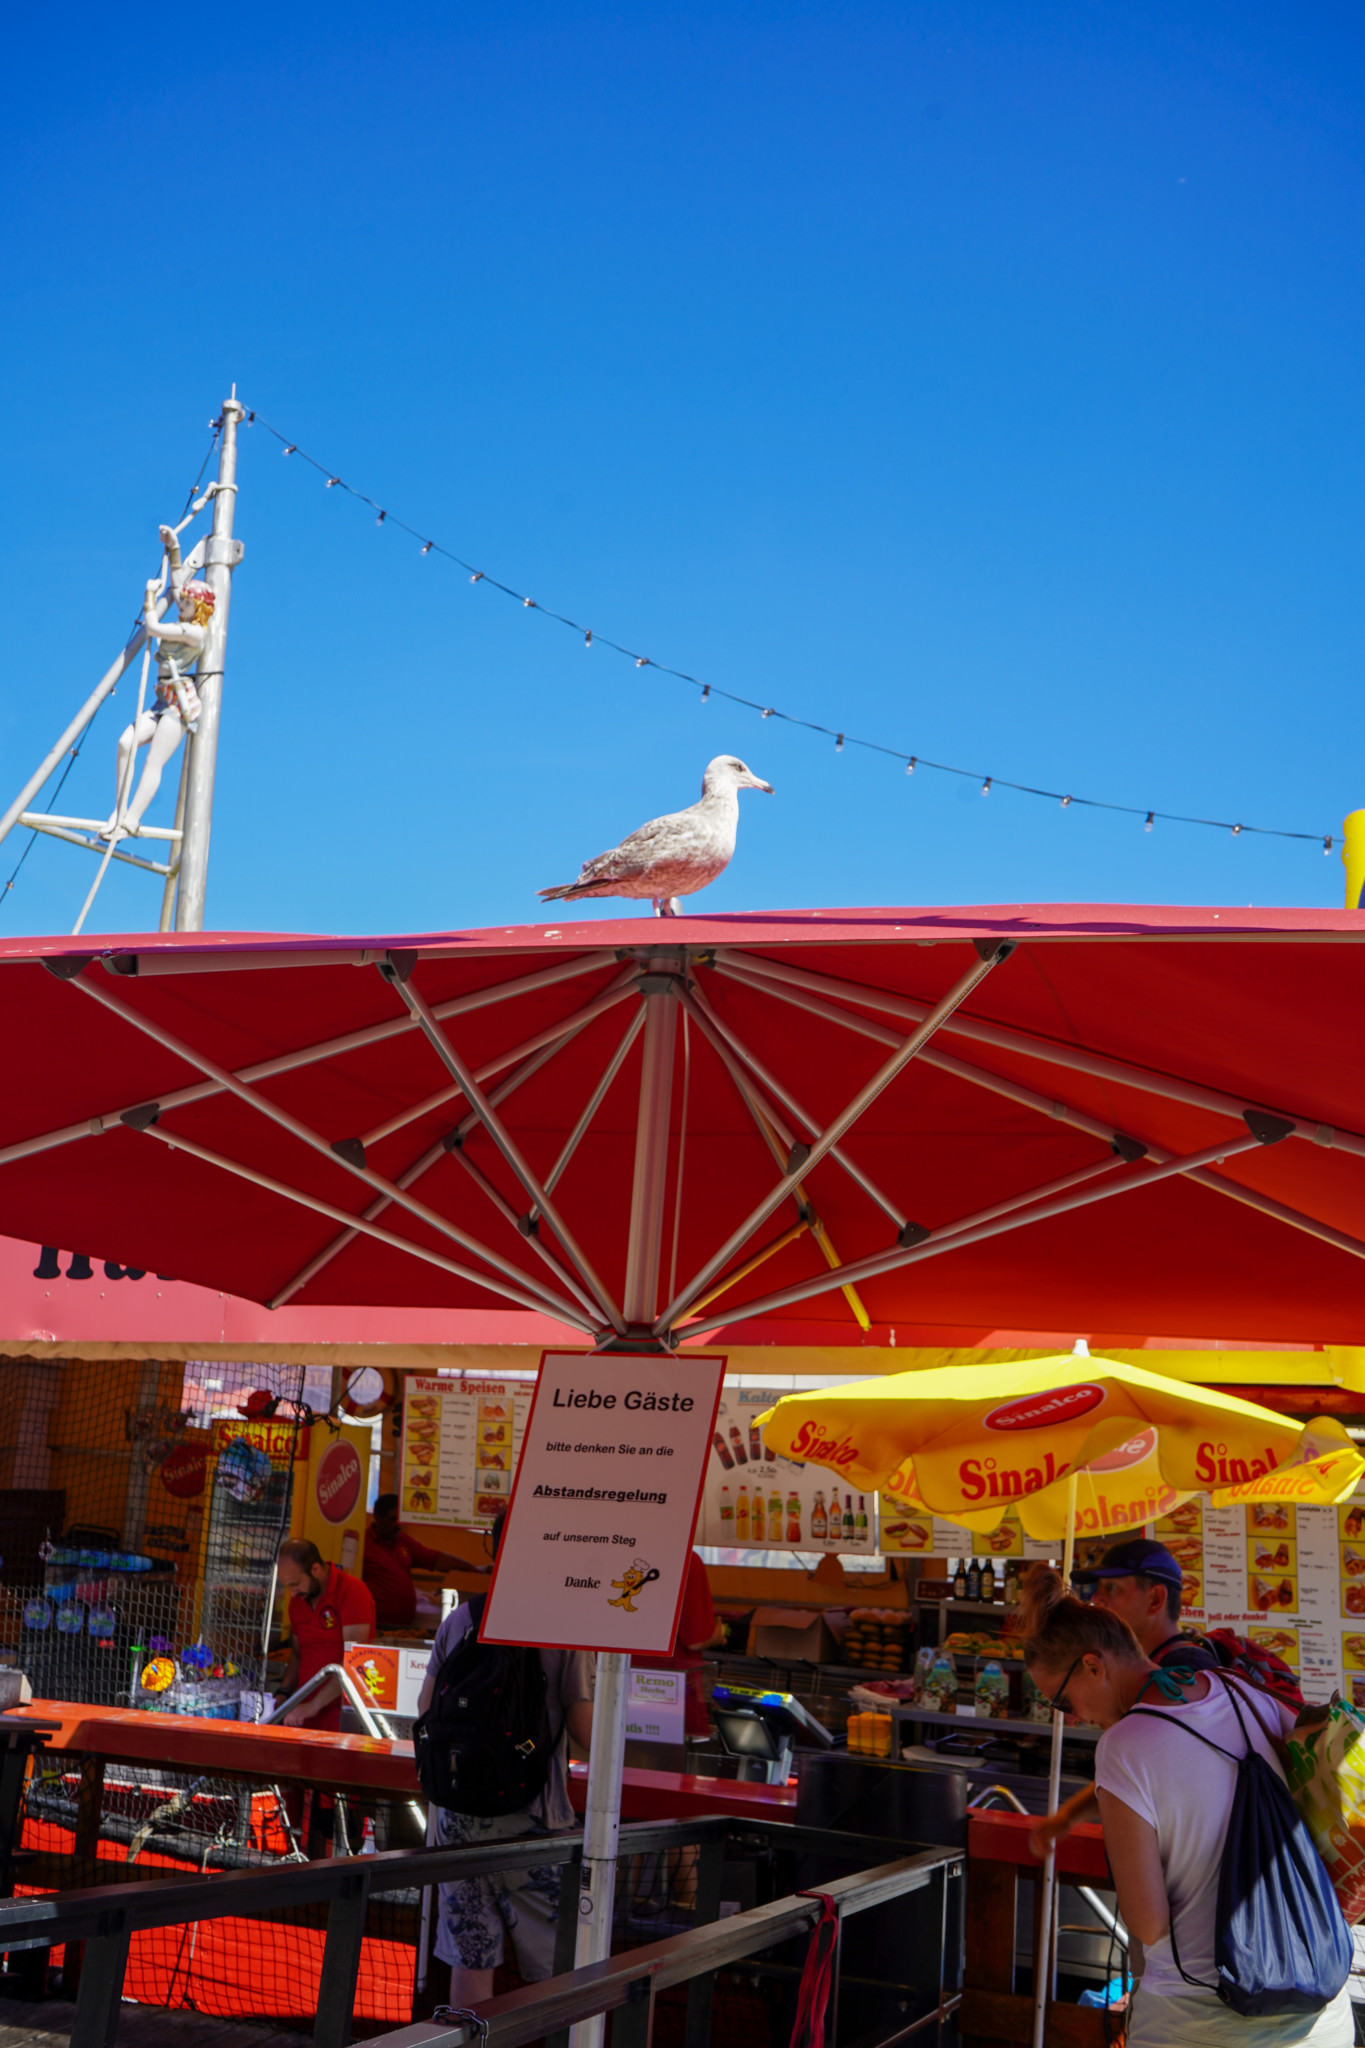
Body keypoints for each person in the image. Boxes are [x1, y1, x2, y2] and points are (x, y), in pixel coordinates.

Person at [1017, 1563, 1351, 2047]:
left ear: (1093, 1665)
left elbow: (1148, 1922)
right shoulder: (1245, 1692)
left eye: (1063, 1703)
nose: (1075, 1718)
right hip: (1322, 2007)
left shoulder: (1123, 1747)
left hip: (1201, 2022)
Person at [416, 1511, 593, 2005]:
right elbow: (582, 1730)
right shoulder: (568, 1628)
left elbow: (425, 1711)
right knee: (559, 1969)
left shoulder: (460, 1622)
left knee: (469, 1958)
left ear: (493, 1551)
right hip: (532, 1819)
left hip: (458, 1822)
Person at [1031, 1538, 1219, 1854]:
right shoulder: (1152, 1674)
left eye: (1113, 1589)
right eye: (1097, 1590)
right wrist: (1066, 1818)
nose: (1098, 1600)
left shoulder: (1184, 1674)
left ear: (1156, 1599)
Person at [105, 528, 214, 839]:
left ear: (199, 608)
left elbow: (152, 627)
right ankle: (119, 810)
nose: (180, 605)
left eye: (186, 604)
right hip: (161, 699)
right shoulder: (186, 615)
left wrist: (150, 595)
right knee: (126, 743)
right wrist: (175, 547)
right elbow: (179, 583)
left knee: (154, 760)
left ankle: (131, 820)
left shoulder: (194, 632)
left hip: (179, 704)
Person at [276, 1536, 377, 1731]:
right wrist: (284, 1694)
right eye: (287, 1586)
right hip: (303, 1713)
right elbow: (298, 1654)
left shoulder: (352, 1591)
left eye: (295, 1584)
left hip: (344, 1713)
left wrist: (314, 1705)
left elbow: (354, 1660)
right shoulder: (298, 1601)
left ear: (315, 1569)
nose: (292, 1593)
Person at [632, 1548, 726, 1738]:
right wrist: (718, 1635)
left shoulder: (608, 1549)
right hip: (666, 1691)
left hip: (609, 1688)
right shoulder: (686, 1559)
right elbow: (696, 1640)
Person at [362, 1493, 491, 1631]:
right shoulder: (364, 1544)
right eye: (392, 1519)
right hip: (376, 1625)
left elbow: (436, 1559)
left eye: (400, 1520)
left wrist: (472, 1569)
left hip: (403, 1626)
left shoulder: (403, 1541)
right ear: (377, 1518)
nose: (398, 1525)